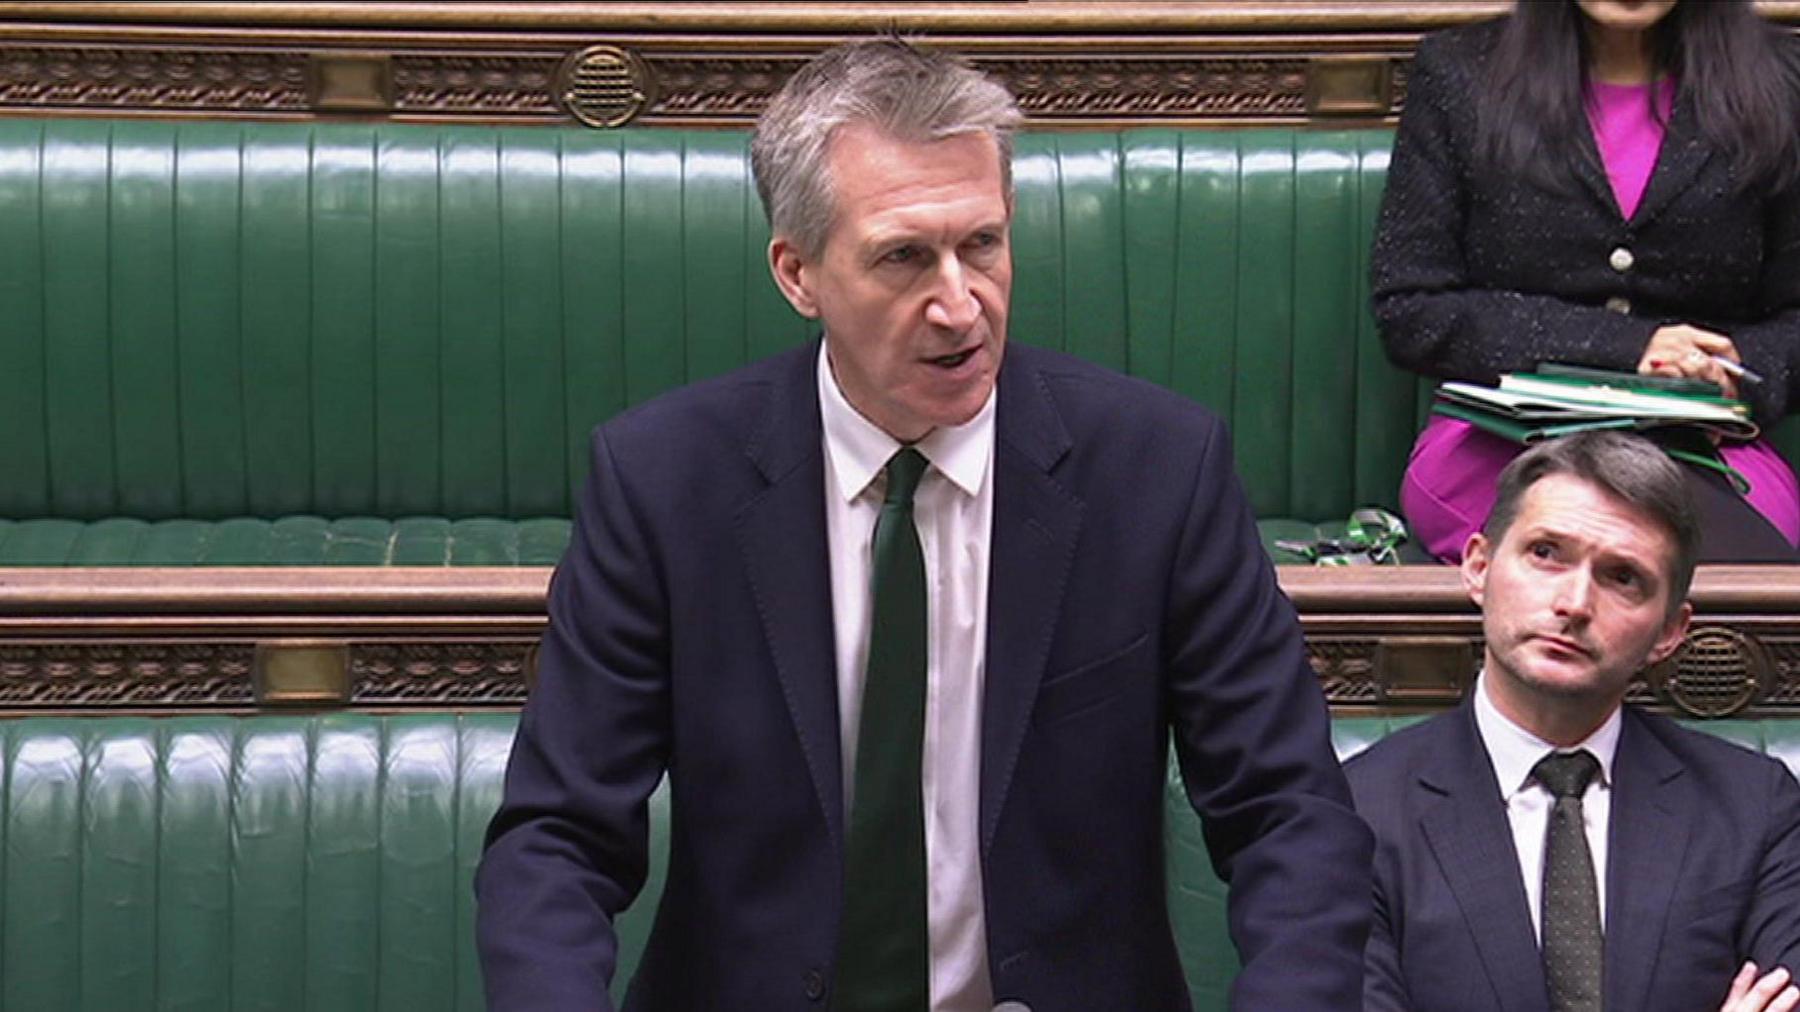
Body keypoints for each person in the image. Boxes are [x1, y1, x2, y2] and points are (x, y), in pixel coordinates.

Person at [475, 37, 1372, 1012]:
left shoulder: (1157, 471)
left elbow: (1290, 817)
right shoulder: (663, 482)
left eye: (982, 243)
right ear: (798, 273)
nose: (960, 305)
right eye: (905, 258)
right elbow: (555, 841)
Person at [1345, 430, 1800, 1012]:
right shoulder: (1355, 811)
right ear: (1478, 567)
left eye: (1622, 578)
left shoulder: (1755, 808)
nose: (1575, 603)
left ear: (1669, 630)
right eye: (1546, 554)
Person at [1372, 0, 1800, 563]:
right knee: (1618, 556)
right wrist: (1628, 348)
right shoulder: (1460, 72)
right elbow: (1411, 307)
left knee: (1717, 556)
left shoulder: (1782, 78)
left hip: (1707, 445)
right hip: (1498, 441)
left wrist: (1729, 370)